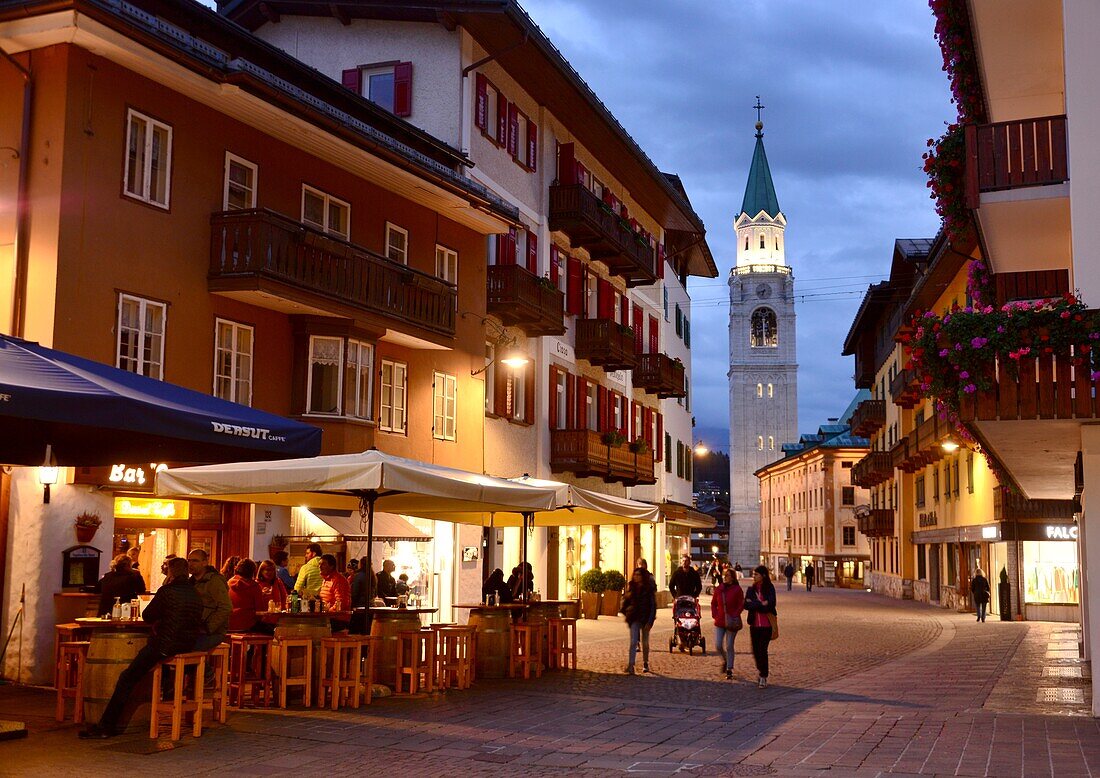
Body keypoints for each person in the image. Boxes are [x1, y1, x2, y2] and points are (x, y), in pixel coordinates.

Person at [79, 557, 202, 739]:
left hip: (164, 645)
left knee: (127, 678)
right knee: (146, 674)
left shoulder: (167, 591)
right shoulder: (194, 593)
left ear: (171, 573)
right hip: (186, 644)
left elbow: (148, 616)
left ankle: (106, 726)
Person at [188, 548, 231, 654]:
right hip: (195, 629)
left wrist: (208, 627)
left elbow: (226, 607)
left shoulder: (214, 581)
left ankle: (206, 671)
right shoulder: (191, 582)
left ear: (204, 563)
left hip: (213, 632)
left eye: (195, 561)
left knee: (187, 648)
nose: (191, 564)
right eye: (189, 560)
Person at [744, 564, 777, 688]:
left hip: (766, 625)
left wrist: (755, 604)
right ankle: (761, 669)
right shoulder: (751, 589)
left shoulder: (769, 588)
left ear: (763, 575)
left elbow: (771, 604)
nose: (754, 576)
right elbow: (746, 605)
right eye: (754, 574)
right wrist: (761, 603)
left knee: (763, 650)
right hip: (754, 625)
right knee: (755, 651)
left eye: (756, 574)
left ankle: (763, 675)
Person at [621, 567, 657, 674]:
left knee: (645, 643)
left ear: (643, 576)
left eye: (638, 575)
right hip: (634, 618)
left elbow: (653, 606)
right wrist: (627, 614)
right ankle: (631, 665)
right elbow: (625, 603)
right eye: (635, 574)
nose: (636, 577)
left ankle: (645, 663)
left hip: (645, 619)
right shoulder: (631, 588)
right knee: (633, 642)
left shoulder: (648, 589)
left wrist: (650, 621)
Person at [711, 567, 745, 680]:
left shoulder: (737, 589)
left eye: (728, 575)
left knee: (729, 645)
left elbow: (741, 604)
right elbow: (713, 603)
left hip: (732, 621)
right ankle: (725, 659)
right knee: (718, 645)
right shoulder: (719, 589)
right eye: (725, 575)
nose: (726, 577)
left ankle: (729, 669)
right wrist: (715, 614)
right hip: (720, 620)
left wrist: (735, 614)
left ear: (733, 578)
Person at [228, 559, 269, 634]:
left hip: (228, 625)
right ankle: (259, 645)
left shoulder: (228, 584)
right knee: (271, 630)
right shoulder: (254, 587)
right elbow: (260, 611)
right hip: (247, 625)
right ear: (253, 572)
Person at [318, 554, 351, 631]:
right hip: (328, 617)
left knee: (314, 627)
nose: (320, 566)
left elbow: (341, 602)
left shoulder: (338, 580)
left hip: (338, 619)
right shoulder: (325, 580)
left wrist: (328, 612)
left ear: (331, 566)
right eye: (319, 564)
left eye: (323, 564)